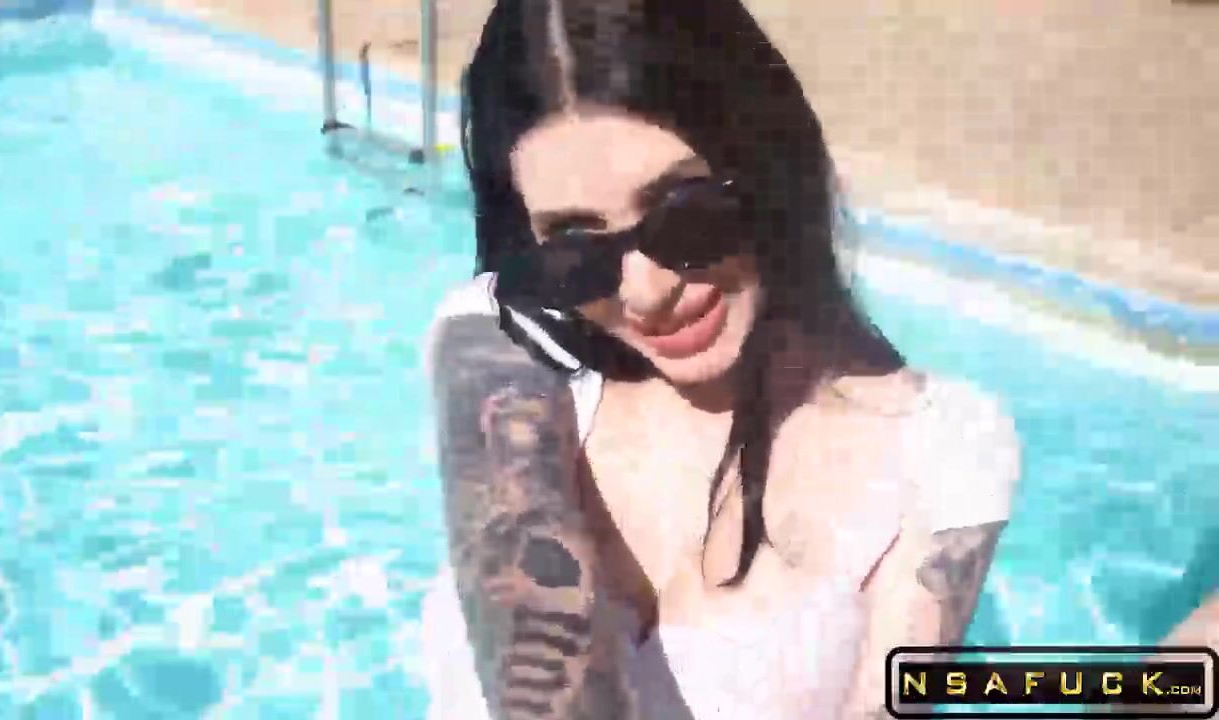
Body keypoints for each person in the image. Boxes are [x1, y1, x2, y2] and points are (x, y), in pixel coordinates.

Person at [419, 0, 1022, 718]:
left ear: (769, 161)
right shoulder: (503, 338)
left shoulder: (945, 455)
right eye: (575, 249)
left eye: (687, 213)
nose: (646, 294)